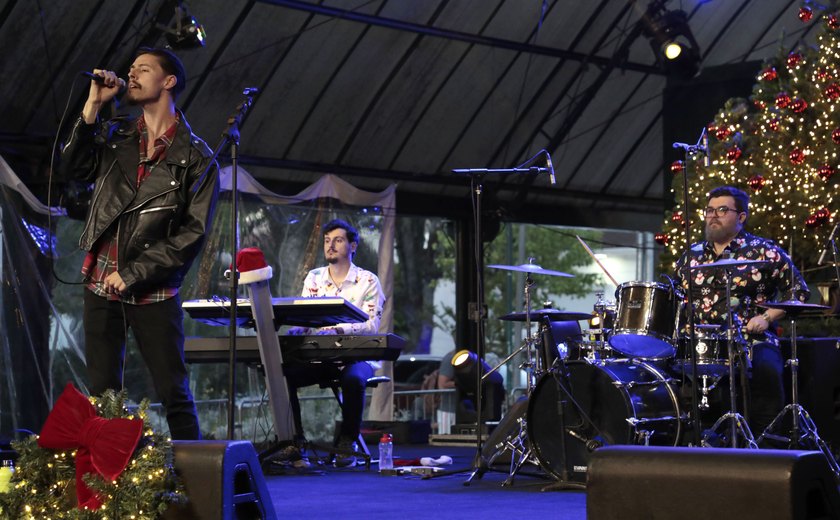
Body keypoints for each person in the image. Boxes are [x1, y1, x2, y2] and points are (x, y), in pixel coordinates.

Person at [59, 48, 219, 440]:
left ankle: (194, 487)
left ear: (169, 82)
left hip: (153, 289)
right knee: (103, 394)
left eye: (142, 69)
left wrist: (133, 274)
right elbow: (72, 169)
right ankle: (107, 485)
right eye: (130, 70)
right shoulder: (117, 135)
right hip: (100, 281)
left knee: (173, 392)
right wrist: (93, 105)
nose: (131, 75)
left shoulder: (198, 159)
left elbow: (192, 234)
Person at [674, 185, 809, 442]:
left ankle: (762, 448)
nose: (713, 215)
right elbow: (676, 298)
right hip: (701, 344)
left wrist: (767, 317)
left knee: (767, 373)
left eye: (722, 210)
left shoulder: (763, 251)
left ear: (742, 216)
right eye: (709, 210)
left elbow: (799, 292)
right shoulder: (690, 257)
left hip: (752, 340)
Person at [284, 219, 385, 467]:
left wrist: (338, 328)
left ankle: (346, 442)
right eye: (327, 241)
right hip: (324, 356)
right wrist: (300, 326)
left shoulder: (367, 280)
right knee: (284, 377)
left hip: (358, 355)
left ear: (353, 246)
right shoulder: (314, 277)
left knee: (353, 379)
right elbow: (308, 315)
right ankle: (294, 443)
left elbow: (371, 325)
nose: (330, 246)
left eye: (338, 240)